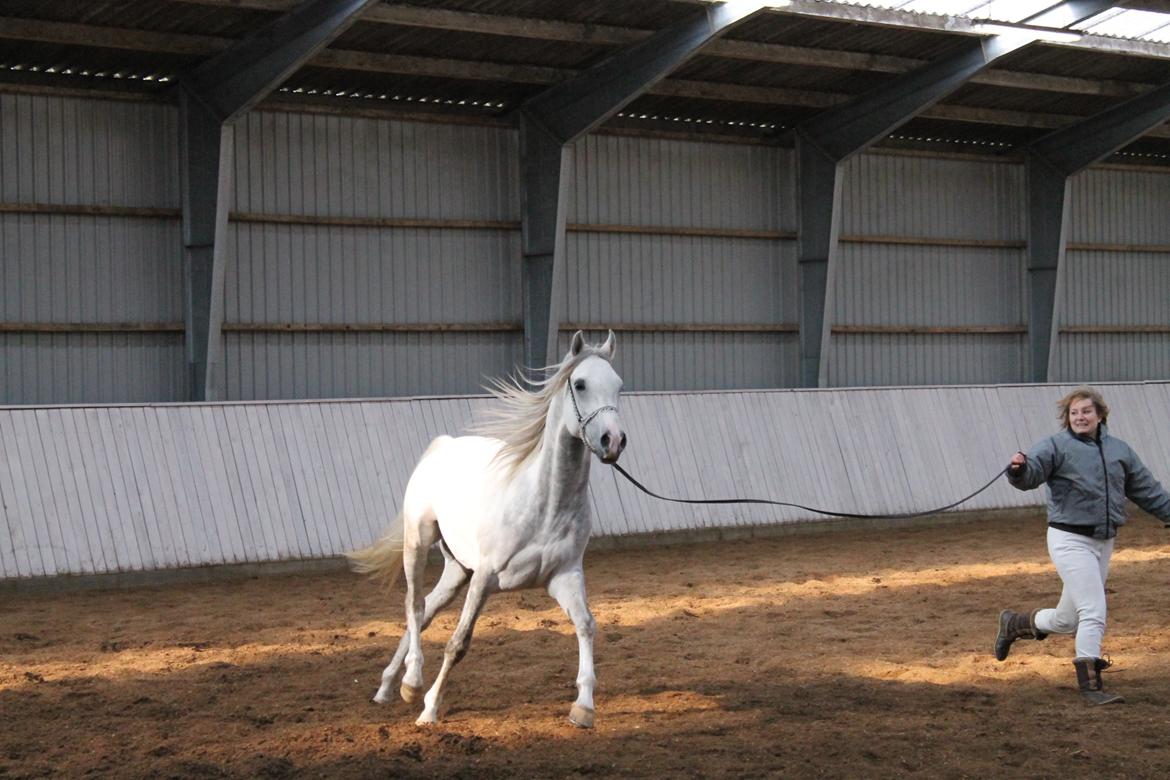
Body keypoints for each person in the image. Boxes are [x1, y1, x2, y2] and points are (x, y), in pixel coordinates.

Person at [994, 386, 1170, 705]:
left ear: (1100, 415)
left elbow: (1146, 489)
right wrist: (1018, 470)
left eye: (1086, 411)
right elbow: (1032, 473)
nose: (1080, 417)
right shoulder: (1054, 446)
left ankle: (1014, 624)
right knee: (1094, 610)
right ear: (1068, 418)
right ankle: (1090, 685)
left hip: (1103, 541)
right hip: (1069, 540)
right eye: (1074, 413)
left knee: (1068, 619)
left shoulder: (1120, 451)